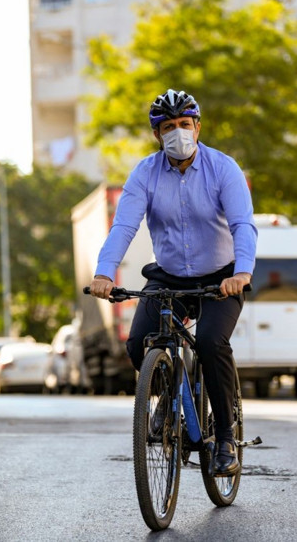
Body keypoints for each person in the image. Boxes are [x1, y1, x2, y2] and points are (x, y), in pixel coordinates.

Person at [88, 89, 258, 476]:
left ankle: (225, 439)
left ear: (198, 128)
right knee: (137, 343)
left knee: (211, 343)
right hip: (167, 276)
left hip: (222, 278)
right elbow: (124, 226)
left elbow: (242, 225)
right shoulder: (144, 173)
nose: (178, 132)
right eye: (168, 127)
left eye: (184, 124)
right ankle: (167, 394)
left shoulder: (224, 169)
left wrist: (242, 273)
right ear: (157, 134)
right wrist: (104, 272)